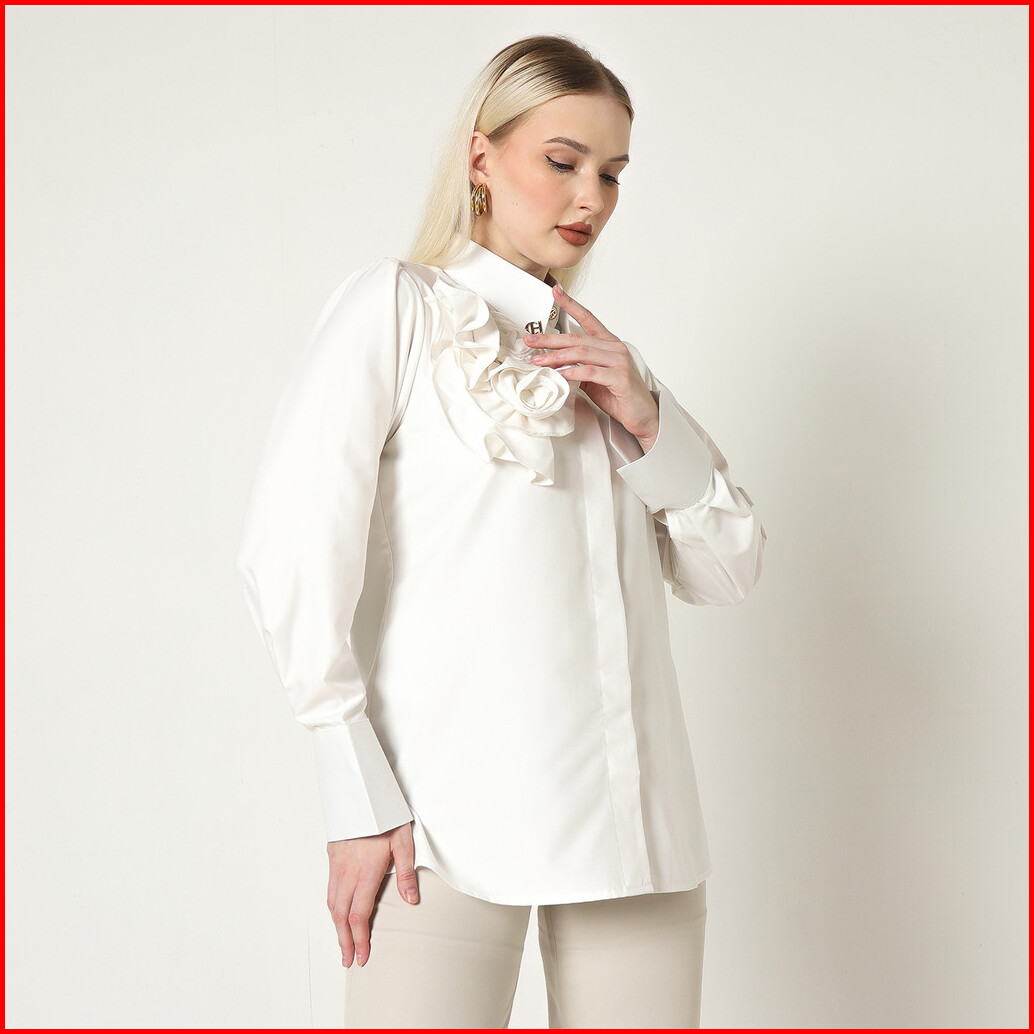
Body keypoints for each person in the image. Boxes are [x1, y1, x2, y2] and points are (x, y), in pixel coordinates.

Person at [236, 33, 766, 1029]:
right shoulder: (398, 309)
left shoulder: (610, 361)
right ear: (481, 157)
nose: (590, 196)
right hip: (437, 826)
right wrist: (354, 794)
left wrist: (651, 419)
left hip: (638, 829)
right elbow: (290, 552)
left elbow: (726, 568)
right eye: (562, 160)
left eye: (611, 172)